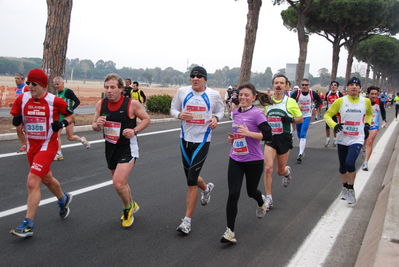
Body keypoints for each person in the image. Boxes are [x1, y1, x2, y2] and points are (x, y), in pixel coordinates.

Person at [9, 69, 75, 237]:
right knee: (46, 179)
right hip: (32, 147)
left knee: (32, 181)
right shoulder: (22, 98)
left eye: (34, 84)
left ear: (43, 85)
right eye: (28, 83)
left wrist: (61, 124)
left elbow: (70, 117)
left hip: (47, 147)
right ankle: (63, 199)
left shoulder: (55, 101)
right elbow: (16, 115)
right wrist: (16, 119)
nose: (30, 86)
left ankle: (28, 224)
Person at [170, 66, 224, 235]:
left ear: (205, 79)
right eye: (192, 76)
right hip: (185, 139)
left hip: (202, 140)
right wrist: (179, 115)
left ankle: (187, 221)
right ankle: (206, 189)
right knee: (190, 177)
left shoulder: (213, 94)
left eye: (199, 76)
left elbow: (222, 110)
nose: (195, 79)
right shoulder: (182, 92)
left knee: (191, 179)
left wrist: (215, 118)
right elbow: (173, 109)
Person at [92, 73, 150, 228]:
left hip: (127, 147)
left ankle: (127, 209)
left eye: (112, 87)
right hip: (110, 147)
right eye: (106, 87)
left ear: (121, 89)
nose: (109, 90)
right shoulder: (101, 104)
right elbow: (95, 127)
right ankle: (132, 203)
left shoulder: (131, 104)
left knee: (118, 183)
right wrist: (98, 124)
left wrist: (134, 130)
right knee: (121, 182)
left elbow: (146, 119)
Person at [220, 83, 273, 244]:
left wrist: (248, 133)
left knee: (251, 192)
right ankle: (230, 231)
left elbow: (268, 135)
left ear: (254, 97)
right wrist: (233, 138)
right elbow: (239, 134)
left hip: (254, 160)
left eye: (246, 95)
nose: (242, 97)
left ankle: (260, 201)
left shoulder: (257, 114)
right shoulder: (235, 112)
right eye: (240, 94)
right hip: (236, 158)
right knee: (233, 194)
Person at [324, 77, 373, 204]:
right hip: (342, 138)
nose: (354, 87)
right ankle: (344, 186)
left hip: (357, 138)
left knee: (350, 163)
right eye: (351, 84)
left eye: (356, 85)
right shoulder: (340, 101)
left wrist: (367, 125)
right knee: (342, 167)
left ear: (360, 88)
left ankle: (351, 189)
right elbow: (327, 115)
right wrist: (334, 125)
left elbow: (369, 113)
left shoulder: (365, 101)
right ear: (347, 87)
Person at [263, 75, 303, 211]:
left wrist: (290, 119)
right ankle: (269, 198)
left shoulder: (290, 102)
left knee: (280, 170)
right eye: (276, 83)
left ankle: (286, 172)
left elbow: (300, 119)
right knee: (268, 168)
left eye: (281, 83)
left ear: (286, 86)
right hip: (271, 138)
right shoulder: (268, 101)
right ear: (273, 85)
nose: (278, 85)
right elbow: (266, 117)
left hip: (284, 137)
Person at [53, 76, 90, 161]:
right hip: (59, 117)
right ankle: (59, 153)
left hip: (68, 117)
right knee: (56, 135)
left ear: (62, 83)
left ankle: (82, 140)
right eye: (55, 84)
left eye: (57, 84)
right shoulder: (57, 93)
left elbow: (77, 101)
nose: (56, 86)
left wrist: (71, 109)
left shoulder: (68, 92)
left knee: (70, 137)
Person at [290, 78, 322, 162]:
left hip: (307, 115)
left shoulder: (312, 93)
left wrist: (315, 107)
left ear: (309, 86)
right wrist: (297, 107)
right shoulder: (297, 93)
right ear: (301, 86)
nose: (304, 86)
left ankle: (300, 153)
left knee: (303, 133)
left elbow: (319, 100)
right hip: (298, 116)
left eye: (306, 85)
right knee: (299, 134)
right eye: (303, 85)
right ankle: (302, 150)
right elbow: (290, 103)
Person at [361, 86, 387, 171]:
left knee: (370, 141)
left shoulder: (379, 102)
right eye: (372, 94)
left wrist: (384, 120)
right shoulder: (363, 102)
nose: (374, 96)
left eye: (376, 94)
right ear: (368, 94)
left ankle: (365, 163)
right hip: (364, 124)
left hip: (374, 125)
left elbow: (383, 111)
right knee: (363, 141)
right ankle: (363, 149)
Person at [324, 81, 344, 147]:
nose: (333, 86)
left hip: (336, 113)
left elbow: (342, 103)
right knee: (327, 126)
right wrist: (325, 102)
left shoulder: (339, 94)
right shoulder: (328, 93)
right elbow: (325, 100)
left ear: (337, 87)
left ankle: (335, 139)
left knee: (335, 126)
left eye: (335, 85)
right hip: (329, 112)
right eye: (332, 85)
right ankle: (328, 138)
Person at [13, 73, 29, 153]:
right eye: (15, 78)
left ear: (23, 80)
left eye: (18, 78)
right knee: (18, 129)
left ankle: (30, 145)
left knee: (26, 130)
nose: (16, 80)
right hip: (19, 113)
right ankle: (24, 145)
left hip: (26, 112)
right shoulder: (16, 89)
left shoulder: (25, 88)